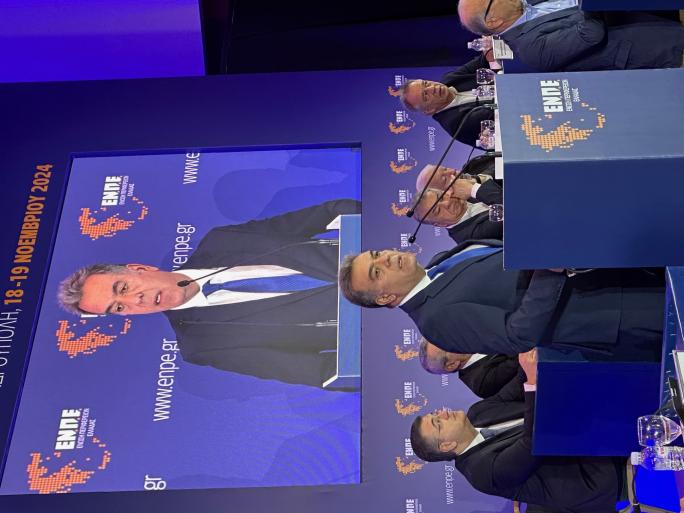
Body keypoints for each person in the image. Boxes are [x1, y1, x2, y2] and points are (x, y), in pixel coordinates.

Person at [58, 199, 361, 388]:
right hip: (375, 329)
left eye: (122, 288)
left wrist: (375, 233)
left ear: (140, 268)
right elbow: (319, 372)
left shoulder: (222, 240)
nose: (134, 301)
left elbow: (327, 214)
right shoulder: (200, 345)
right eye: (118, 308)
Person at [338, 239, 664, 358]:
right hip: (609, 312)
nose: (386, 259)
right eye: (377, 272)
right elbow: (516, 335)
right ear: (385, 297)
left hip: (609, 270)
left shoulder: (440, 261)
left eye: (377, 254)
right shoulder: (435, 321)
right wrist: (549, 268)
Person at [410, 350, 627, 512]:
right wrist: (533, 382)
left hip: (589, 434)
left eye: (436, 413)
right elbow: (532, 444)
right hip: (597, 472)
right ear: (447, 446)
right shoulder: (480, 473)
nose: (443, 413)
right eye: (439, 423)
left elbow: (514, 390)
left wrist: (527, 354)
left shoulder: (477, 413)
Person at [457, 0, 684, 72]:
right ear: (493, 21)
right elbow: (591, 33)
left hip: (654, 9)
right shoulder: (531, 49)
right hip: (647, 40)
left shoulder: (527, 2)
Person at [399, 54, 495, 147]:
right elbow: (496, 113)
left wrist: (488, 53)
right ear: (429, 110)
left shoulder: (450, 79)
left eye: (426, 83)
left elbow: (482, 60)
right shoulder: (455, 124)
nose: (432, 88)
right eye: (425, 95)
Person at [418, 338, 519, 398]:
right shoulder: (481, 382)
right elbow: (518, 361)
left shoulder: (473, 330)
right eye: (445, 345)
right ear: (452, 365)